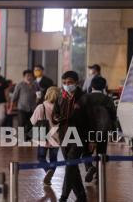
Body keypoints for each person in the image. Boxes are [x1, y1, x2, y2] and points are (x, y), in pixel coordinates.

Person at [53, 71, 87, 202]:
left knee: (70, 164)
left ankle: (63, 197)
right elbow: (55, 114)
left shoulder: (84, 98)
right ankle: (81, 196)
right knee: (72, 167)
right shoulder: (61, 97)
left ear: (76, 83)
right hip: (64, 134)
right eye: (65, 83)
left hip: (79, 135)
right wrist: (57, 118)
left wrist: (92, 139)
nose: (67, 85)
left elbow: (90, 119)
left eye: (70, 83)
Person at [80, 76, 116, 183]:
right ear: (104, 87)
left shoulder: (85, 97)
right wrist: (113, 131)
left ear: (92, 86)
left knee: (86, 152)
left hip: (87, 131)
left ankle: (89, 167)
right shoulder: (108, 99)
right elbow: (113, 116)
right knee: (101, 153)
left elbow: (80, 115)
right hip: (103, 131)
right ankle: (99, 177)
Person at [30, 87, 61, 186]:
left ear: (47, 94)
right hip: (56, 136)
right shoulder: (60, 108)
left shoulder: (41, 107)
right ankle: (50, 172)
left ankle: (48, 170)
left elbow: (33, 121)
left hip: (43, 136)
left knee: (41, 157)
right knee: (54, 158)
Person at [10, 70, 38, 140]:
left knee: (30, 123)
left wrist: (39, 97)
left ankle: (28, 137)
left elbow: (40, 94)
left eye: (30, 76)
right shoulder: (20, 85)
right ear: (24, 77)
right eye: (27, 76)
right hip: (22, 108)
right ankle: (21, 138)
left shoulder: (36, 84)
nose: (29, 77)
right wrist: (11, 107)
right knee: (21, 123)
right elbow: (14, 97)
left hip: (32, 108)